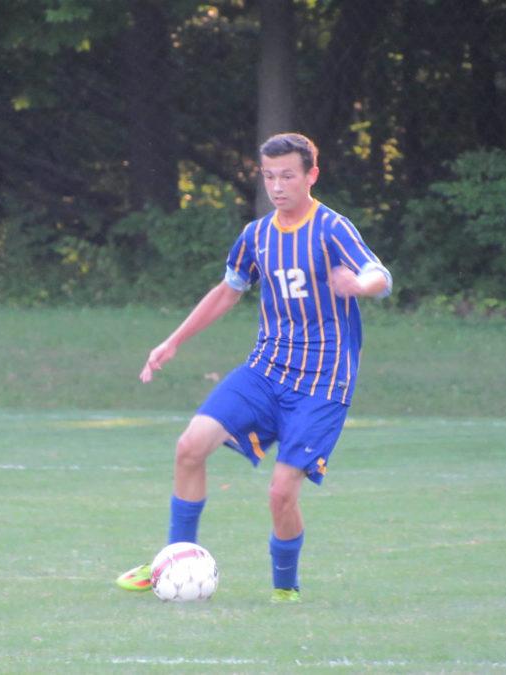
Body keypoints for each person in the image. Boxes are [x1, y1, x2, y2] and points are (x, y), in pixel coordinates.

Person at [115, 132, 392, 602]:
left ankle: (286, 590)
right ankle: (174, 558)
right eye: (269, 176)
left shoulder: (332, 228)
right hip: (265, 371)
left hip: (322, 384)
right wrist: (173, 341)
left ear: (311, 175)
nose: (278, 186)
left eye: (288, 175)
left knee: (281, 493)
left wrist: (359, 286)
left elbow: (380, 277)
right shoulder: (257, 235)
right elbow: (228, 290)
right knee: (189, 447)